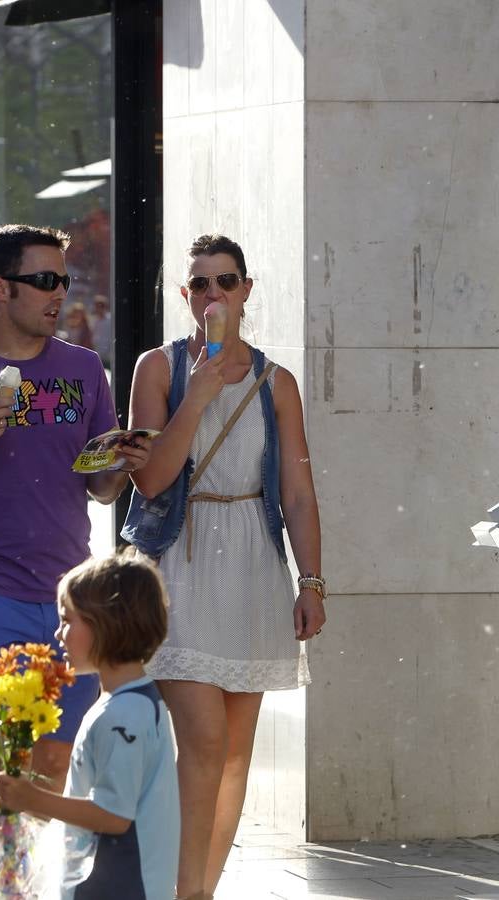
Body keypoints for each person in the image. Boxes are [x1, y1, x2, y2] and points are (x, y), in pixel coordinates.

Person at [0, 224, 151, 796]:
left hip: (75, 604)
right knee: (8, 770)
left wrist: (128, 461)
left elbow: (102, 490)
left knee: (57, 772)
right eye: (43, 281)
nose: (59, 293)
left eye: (63, 280)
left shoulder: (85, 370)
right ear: (0, 289)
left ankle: (37, 883)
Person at [127, 233, 326, 896]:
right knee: (205, 743)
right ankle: (178, 890)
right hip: (181, 564)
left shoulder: (278, 382)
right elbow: (151, 480)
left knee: (237, 755)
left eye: (225, 282)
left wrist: (312, 581)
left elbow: (297, 491)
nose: (214, 295)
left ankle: (198, 891)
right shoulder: (159, 369)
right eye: (200, 285)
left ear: (246, 290)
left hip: (253, 566)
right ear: (185, 296)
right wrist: (198, 394)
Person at [0, 549, 178, 900]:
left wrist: (34, 798)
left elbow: (113, 815)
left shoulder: (123, 715)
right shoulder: (130, 702)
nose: (58, 633)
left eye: (68, 620)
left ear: (106, 624)